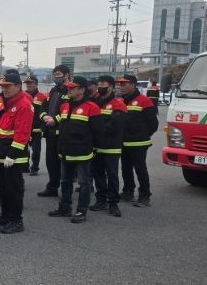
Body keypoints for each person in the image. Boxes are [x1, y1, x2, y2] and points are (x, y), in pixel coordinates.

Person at [47, 77, 102, 224]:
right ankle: (65, 207)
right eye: (69, 88)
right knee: (65, 181)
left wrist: (94, 148)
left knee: (84, 183)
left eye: (73, 88)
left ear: (82, 90)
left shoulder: (92, 107)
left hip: (83, 152)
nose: (69, 90)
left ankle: (81, 210)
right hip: (65, 151)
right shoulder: (65, 105)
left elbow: (98, 132)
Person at [0, 72, 33, 234]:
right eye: (3, 86)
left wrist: (12, 154)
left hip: (12, 155)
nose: (4, 89)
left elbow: (22, 133)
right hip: (0, 151)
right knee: (1, 186)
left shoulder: (23, 104)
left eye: (8, 86)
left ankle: (16, 220)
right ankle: (5, 215)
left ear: (18, 86)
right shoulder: (6, 102)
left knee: (13, 188)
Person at [117, 74, 159, 207]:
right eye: (120, 84)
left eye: (124, 84)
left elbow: (153, 124)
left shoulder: (144, 101)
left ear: (133, 85)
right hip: (123, 142)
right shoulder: (120, 101)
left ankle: (144, 195)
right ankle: (128, 192)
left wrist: (142, 135)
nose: (121, 87)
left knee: (140, 169)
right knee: (125, 168)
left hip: (139, 143)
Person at [89, 75, 127, 217]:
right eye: (99, 83)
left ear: (110, 86)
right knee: (98, 174)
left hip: (111, 146)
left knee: (112, 176)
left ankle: (113, 203)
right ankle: (101, 200)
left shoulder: (118, 104)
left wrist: (96, 130)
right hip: (96, 146)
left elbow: (115, 125)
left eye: (103, 83)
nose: (100, 85)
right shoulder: (95, 102)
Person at [38, 65, 71, 197]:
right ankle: (52, 187)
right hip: (50, 131)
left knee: (64, 163)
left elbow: (69, 110)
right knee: (51, 162)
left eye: (58, 74)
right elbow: (43, 106)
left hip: (63, 132)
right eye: (54, 74)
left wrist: (55, 120)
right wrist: (44, 116)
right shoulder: (53, 90)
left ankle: (66, 191)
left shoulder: (70, 91)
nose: (56, 77)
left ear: (66, 75)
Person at [24, 75, 48, 176]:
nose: (29, 85)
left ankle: (34, 167)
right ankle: (25, 166)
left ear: (36, 84)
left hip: (36, 129)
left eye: (31, 83)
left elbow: (45, 112)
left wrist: (43, 128)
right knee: (23, 149)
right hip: (24, 128)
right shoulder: (22, 95)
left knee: (36, 150)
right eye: (27, 83)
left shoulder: (42, 97)